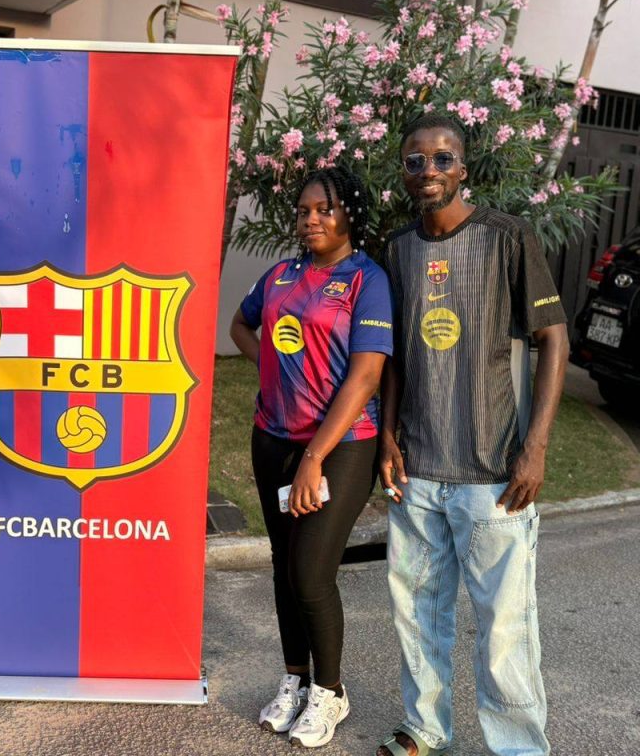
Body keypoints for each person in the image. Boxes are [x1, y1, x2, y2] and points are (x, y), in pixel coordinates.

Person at [376, 114, 568, 756]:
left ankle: (519, 747)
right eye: (415, 161)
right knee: (416, 616)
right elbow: (394, 356)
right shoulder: (398, 250)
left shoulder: (508, 237)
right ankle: (424, 728)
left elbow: (553, 339)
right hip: (418, 472)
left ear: (463, 168)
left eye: (441, 159)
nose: (427, 171)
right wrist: (387, 437)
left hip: (494, 476)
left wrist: (535, 448)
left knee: (504, 629)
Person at [230, 166, 393, 748]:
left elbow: (367, 375)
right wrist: (272, 368)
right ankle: (296, 679)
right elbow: (241, 325)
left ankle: (330, 691)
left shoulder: (366, 280)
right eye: (303, 211)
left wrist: (314, 456)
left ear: (351, 214)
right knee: (284, 565)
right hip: (273, 437)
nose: (311, 219)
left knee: (311, 571)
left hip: (341, 446)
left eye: (325, 209)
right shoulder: (281, 275)